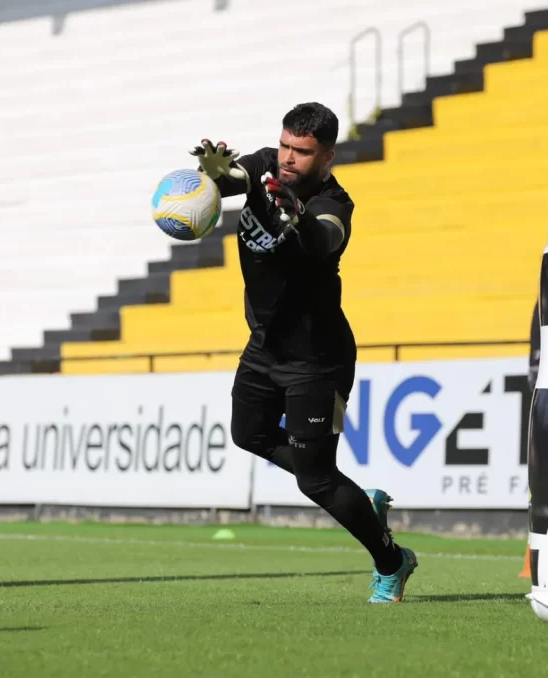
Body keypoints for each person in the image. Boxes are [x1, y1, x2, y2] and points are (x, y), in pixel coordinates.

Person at [189, 102, 418, 603]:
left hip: (319, 360)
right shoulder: (265, 164)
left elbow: (323, 239)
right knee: (247, 433)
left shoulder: (335, 204)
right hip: (265, 344)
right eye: (287, 145)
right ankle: (361, 501)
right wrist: (209, 178)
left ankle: (392, 562)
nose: (290, 158)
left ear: (328, 156)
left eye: (303, 151)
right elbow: (229, 184)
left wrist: (298, 218)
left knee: (315, 481)